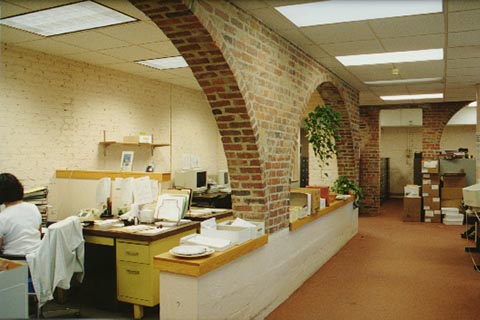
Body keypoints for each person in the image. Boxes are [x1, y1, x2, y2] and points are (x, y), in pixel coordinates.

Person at [0, 173, 42, 256]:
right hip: (37, 257)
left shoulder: (3, 217)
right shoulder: (33, 208)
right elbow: (39, 233)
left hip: (13, 261)